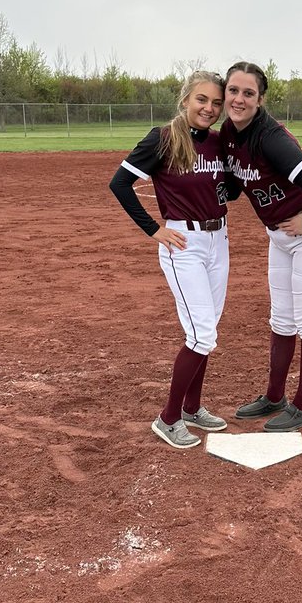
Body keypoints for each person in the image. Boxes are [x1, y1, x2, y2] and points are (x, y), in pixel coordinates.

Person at [220, 61, 302, 432]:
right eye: (233, 90)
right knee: (282, 319)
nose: (238, 99)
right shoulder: (229, 133)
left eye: (248, 93)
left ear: (260, 100)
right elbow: (231, 188)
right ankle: (275, 396)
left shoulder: (270, 138)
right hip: (279, 237)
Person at [109, 71, 230, 450]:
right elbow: (120, 184)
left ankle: (193, 407)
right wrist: (154, 230)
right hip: (184, 244)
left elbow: (231, 187)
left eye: (215, 102)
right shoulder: (162, 138)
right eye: (201, 99)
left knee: (205, 329)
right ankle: (169, 417)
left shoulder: (217, 143)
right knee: (202, 334)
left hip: (219, 240)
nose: (208, 108)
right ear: (185, 99)